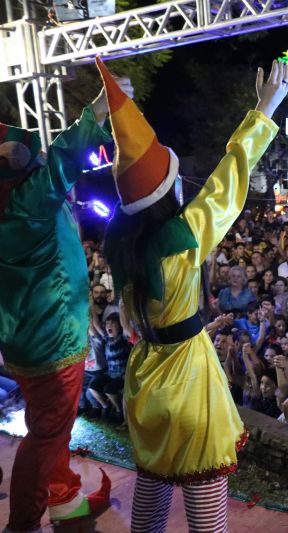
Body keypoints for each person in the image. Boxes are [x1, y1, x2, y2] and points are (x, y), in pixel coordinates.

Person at [99, 58, 288, 532]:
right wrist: (264, 109)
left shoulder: (121, 245)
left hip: (144, 378)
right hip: (186, 378)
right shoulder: (182, 239)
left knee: (153, 487)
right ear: (167, 194)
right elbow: (230, 179)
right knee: (206, 498)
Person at [0, 74, 123, 529]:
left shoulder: (10, 199)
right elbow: (64, 158)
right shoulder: (25, 202)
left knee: (49, 427)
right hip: (53, 340)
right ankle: (24, 521)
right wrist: (100, 108)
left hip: (25, 339)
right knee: (48, 433)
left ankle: (64, 496)